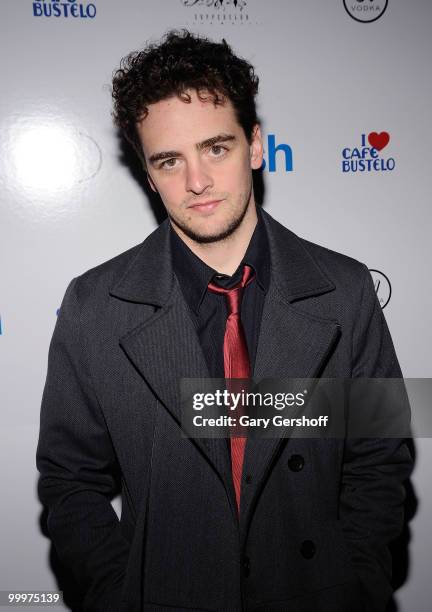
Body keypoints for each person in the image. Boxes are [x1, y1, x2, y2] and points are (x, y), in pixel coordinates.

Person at [36, 30, 413, 612]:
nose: (196, 182)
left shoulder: (346, 291)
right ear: (147, 171)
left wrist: (355, 584)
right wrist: (119, 597)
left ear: (256, 145)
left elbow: (380, 456)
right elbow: (70, 481)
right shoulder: (95, 306)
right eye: (169, 160)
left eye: (216, 148)